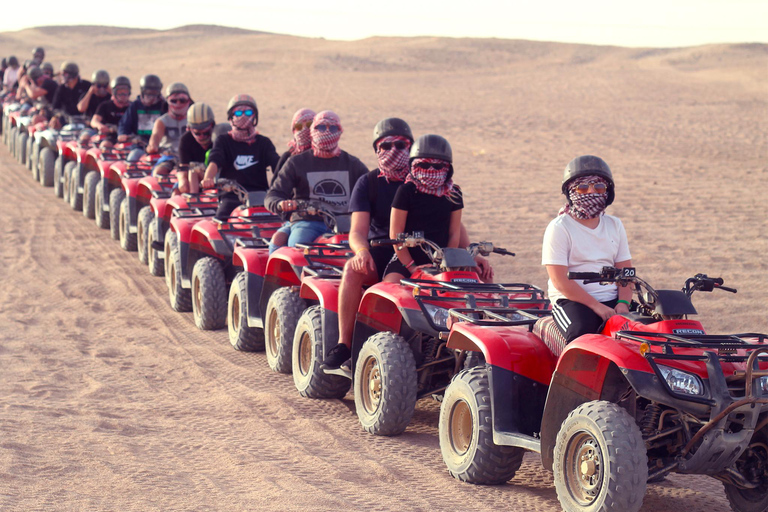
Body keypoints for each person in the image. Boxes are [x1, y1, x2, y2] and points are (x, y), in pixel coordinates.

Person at [541, 155, 633, 343]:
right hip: (571, 300)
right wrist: (596, 306)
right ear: (570, 191)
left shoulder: (615, 225)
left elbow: (626, 272)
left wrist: (623, 304)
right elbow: (559, 281)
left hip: (613, 298)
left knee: (649, 329)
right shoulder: (559, 227)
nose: (591, 192)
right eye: (583, 188)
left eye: (599, 187)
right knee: (582, 337)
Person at [265, 110, 368, 253]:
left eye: (332, 128)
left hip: (346, 224)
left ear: (340, 131)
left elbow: (371, 190)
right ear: (312, 131)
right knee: (297, 250)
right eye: (320, 127)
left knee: (370, 253)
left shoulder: (352, 164)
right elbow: (273, 194)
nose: (326, 132)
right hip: (308, 221)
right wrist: (281, 204)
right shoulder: (296, 162)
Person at [200, 94, 279, 220]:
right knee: (221, 223)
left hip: (261, 196)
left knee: (281, 223)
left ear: (255, 116)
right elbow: (215, 160)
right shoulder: (224, 140)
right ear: (231, 117)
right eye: (238, 113)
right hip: (232, 195)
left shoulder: (264, 142)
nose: (243, 116)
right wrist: (208, 178)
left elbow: (278, 166)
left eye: (248, 112)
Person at [117, 74, 167, 143]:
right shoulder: (135, 105)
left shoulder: (164, 106)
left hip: (160, 144)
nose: (151, 96)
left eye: (154, 93)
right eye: (148, 92)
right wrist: (122, 134)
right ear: (142, 91)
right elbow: (125, 124)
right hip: (139, 144)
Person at [178, 102, 215, 194]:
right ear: (189, 129)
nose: (202, 136)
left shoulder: (218, 138)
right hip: (195, 179)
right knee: (179, 189)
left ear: (212, 125)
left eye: (206, 133)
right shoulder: (186, 139)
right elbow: (183, 167)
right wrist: (182, 181)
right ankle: (193, 201)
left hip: (215, 178)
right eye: (198, 133)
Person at [146, 82, 191, 155]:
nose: (178, 103)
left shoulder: (194, 120)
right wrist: (152, 146)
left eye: (182, 100)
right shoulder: (162, 121)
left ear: (189, 101)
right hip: (168, 156)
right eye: (174, 100)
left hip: (190, 157)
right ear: (167, 101)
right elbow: (155, 137)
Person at [91, 76, 131, 144]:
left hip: (128, 138)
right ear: (114, 92)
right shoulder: (105, 105)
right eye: (120, 92)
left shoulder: (132, 107)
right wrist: (100, 126)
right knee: (105, 145)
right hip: (110, 136)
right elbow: (94, 121)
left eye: (125, 92)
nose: (123, 95)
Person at [276, 108, 316, 174]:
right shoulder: (288, 157)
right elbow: (277, 183)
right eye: (299, 126)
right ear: (294, 130)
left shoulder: (326, 156)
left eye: (309, 125)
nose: (304, 129)